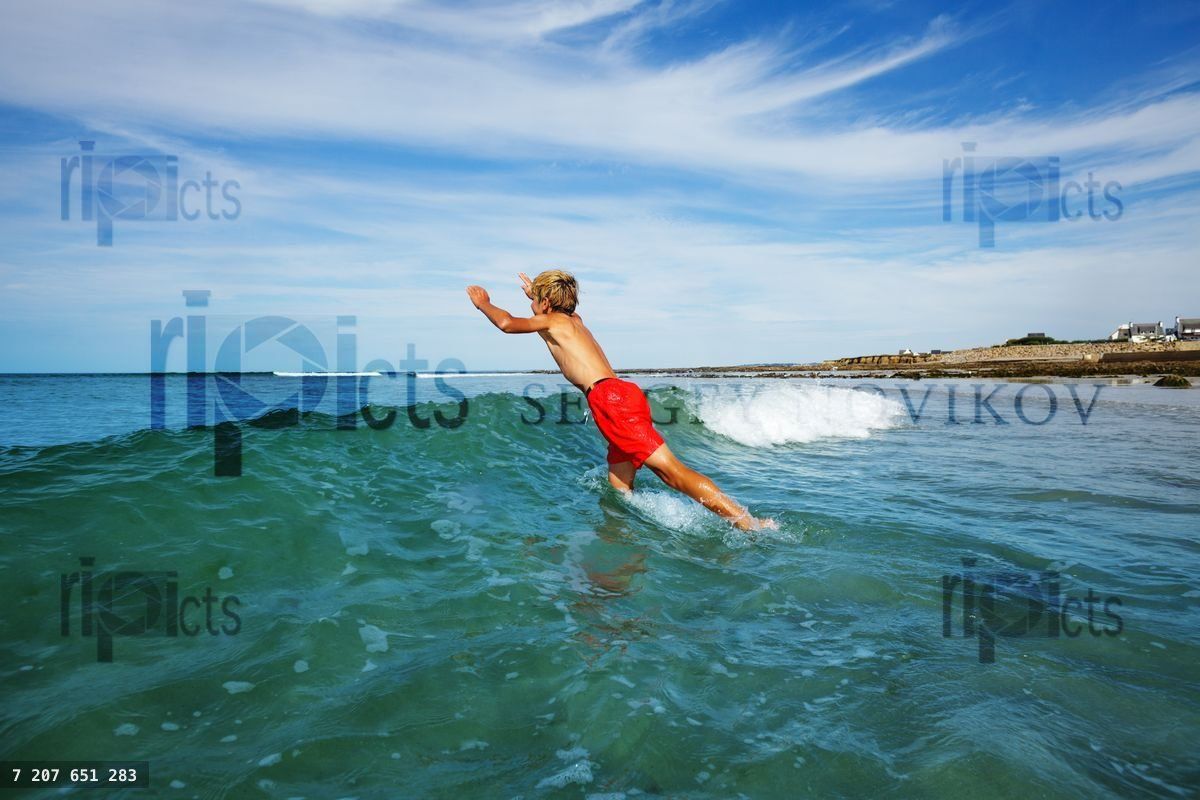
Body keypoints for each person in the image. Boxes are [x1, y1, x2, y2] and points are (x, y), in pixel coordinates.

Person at [467, 269, 774, 531]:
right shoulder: (575, 321)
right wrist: (536, 296)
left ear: (546, 303)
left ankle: (748, 523)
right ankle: (623, 539)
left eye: (536, 300)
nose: (533, 305)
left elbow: (507, 324)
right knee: (619, 486)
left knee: (672, 473)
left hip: (610, 400)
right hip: (619, 393)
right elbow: (553, 313)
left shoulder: (554, 323)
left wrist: (485, 304)